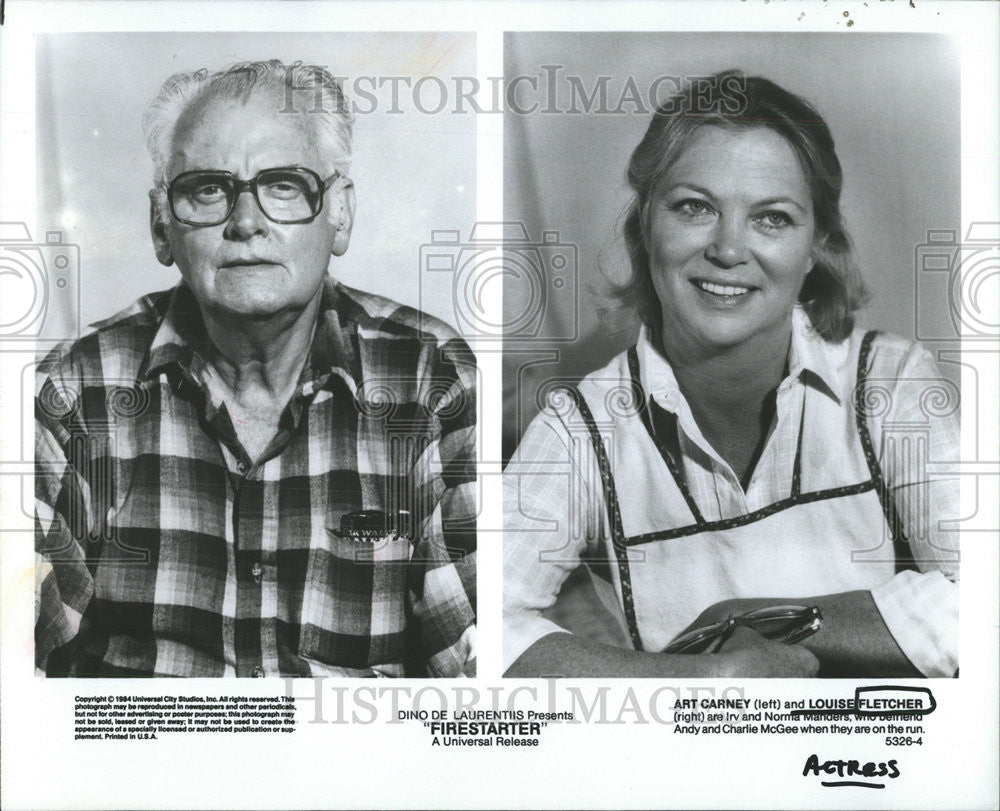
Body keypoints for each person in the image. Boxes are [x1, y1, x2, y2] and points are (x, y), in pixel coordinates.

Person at [503, 70, 959, 678]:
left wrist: (762, 617)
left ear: (816, 241)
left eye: (771, 218)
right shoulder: (578, 426)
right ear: (645, 223)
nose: (727, 249)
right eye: (694, 207)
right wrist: (698, 678)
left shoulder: (893, 382)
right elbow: (480, 622)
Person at [34, 60, 477, 677]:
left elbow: (469, 684)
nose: (246, 223)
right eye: (207, 190)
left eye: (285, 185)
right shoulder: (80, 388)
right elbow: (22, 679)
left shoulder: (428, 378)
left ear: (340, 214)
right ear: (162, 226)